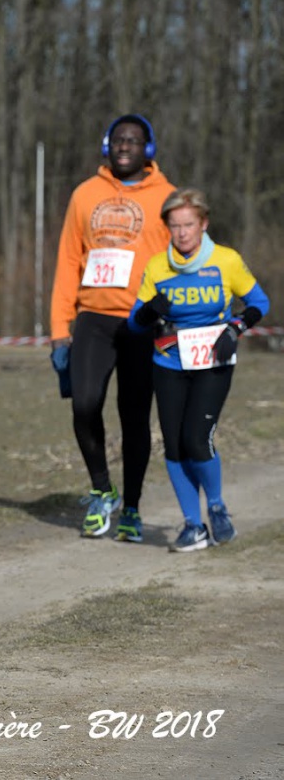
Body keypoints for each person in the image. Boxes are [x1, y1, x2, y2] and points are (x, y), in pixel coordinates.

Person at [48, 114, 174, 542]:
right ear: (107, 145)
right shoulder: (85, 194)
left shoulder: (167, 197)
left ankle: (132, 508)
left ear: (148, 149)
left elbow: (178, 261)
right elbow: (68, 260)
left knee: (135, 416)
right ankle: (102, 490)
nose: (124, 146)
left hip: (142, 322)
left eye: (133, 140)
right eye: (118, 139)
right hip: (93, 319)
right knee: (84, 405)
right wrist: (59, 328)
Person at [127, 187, 269, 552]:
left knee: (196, 438)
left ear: (203, 223)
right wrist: (149, 310)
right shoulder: (157, 266)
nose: (181, 233)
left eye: (188, 224)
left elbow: (259, 302)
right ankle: (193, 526)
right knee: (174, 446)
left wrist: (235, 328)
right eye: (174, 226)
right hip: (168, 362)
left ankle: (217, 507)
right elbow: (134, 323)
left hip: (212, 362)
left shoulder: (226, 260)